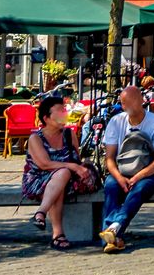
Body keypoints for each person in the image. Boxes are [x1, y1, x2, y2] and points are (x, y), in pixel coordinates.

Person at [98, 84, 154, 253]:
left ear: (142, 101)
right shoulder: (116, 122)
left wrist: (138, 176)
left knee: (139, 190)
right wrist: (119, 177)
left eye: (132, 102)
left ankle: (113, 230)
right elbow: (109, 158)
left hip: (148, 172)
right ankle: (114, 236)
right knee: (111, 186)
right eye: (124, 103)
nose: (128, 107)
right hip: (121, 171)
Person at [22, 94, 97, 250]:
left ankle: (42, 215)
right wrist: (72, 167)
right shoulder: (35, 138)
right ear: (47, 118)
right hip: (38, 180)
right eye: (59, 110)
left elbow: (76, 158)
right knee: (62, 174)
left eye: (64, 109)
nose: (64, 113)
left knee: (62, 176)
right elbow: (44, 164)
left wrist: (78, 166)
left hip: (66, 181)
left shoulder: (69, 135)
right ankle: (57, 233)